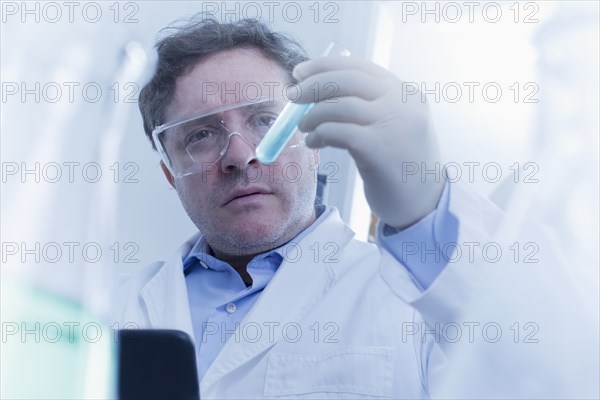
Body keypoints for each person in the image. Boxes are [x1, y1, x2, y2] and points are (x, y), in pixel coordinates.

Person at [114, 15, 509, 398]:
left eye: (265, 121)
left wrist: (427, 211)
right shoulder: (112, 312)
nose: (240, 155)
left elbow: (530, 369)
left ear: (313, 143)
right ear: (170, 173)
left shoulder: (412, 301)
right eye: (201, 134)